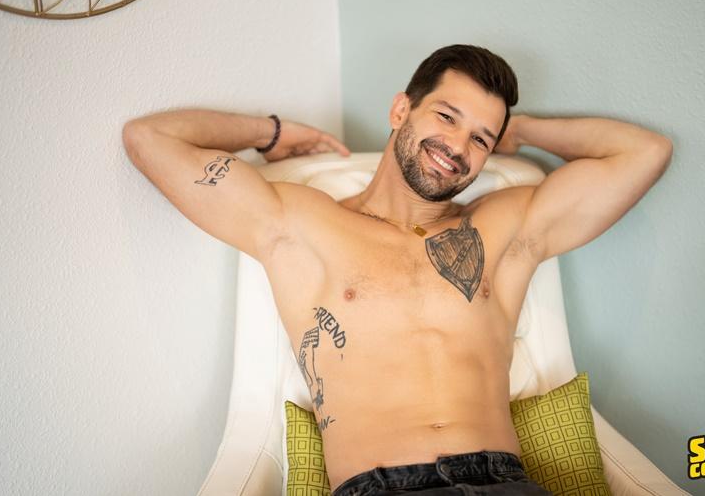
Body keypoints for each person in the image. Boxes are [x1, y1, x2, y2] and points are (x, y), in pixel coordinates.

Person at [122, 44, 672, 495]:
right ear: (400, 111)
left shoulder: (505, 229)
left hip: (507, 483)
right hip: (379, 487)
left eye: (480, 138)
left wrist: (521, 131)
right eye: (447, 117)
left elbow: (646, 153)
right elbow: (149, 140)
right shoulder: (304, 223)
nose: (457, 146)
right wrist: (270, 133)